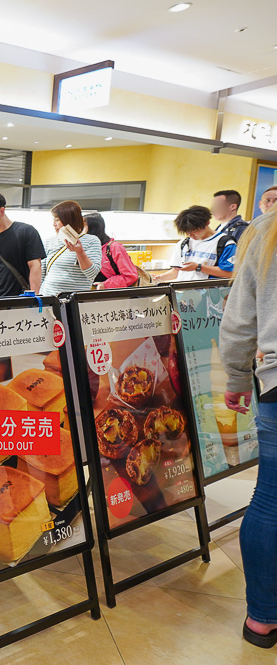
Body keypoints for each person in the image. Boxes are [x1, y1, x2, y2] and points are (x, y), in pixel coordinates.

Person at [219, 204, 277, 649]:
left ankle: (261, 618)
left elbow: (239, 321)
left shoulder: (267, 231)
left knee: (270, 499)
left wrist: (238, 377)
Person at [154, 205, 235, 282]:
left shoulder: (225, 244)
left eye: (195, 231)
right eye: (187, 232)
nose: (191, 235)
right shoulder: (184, 243)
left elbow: (230, 273)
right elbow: (176, 271)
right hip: (182, 290)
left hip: (208, 291)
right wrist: (159, 278)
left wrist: (198, 267)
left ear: (207, 223)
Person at [39, 200, 102, 297]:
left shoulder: (91, 241)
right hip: (48, 297)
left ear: (69, 220)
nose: (54, 224)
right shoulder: (49, 241)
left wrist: (80, 252)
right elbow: (41, 273)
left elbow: (92, 274)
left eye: (57, 220)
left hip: (74, 299)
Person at [85, 213, 139, 289]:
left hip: (111, 293)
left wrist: (105, 285)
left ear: (93, 229)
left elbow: (130, 276)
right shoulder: (84, 248)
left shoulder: (114, 247)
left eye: (82, 227)